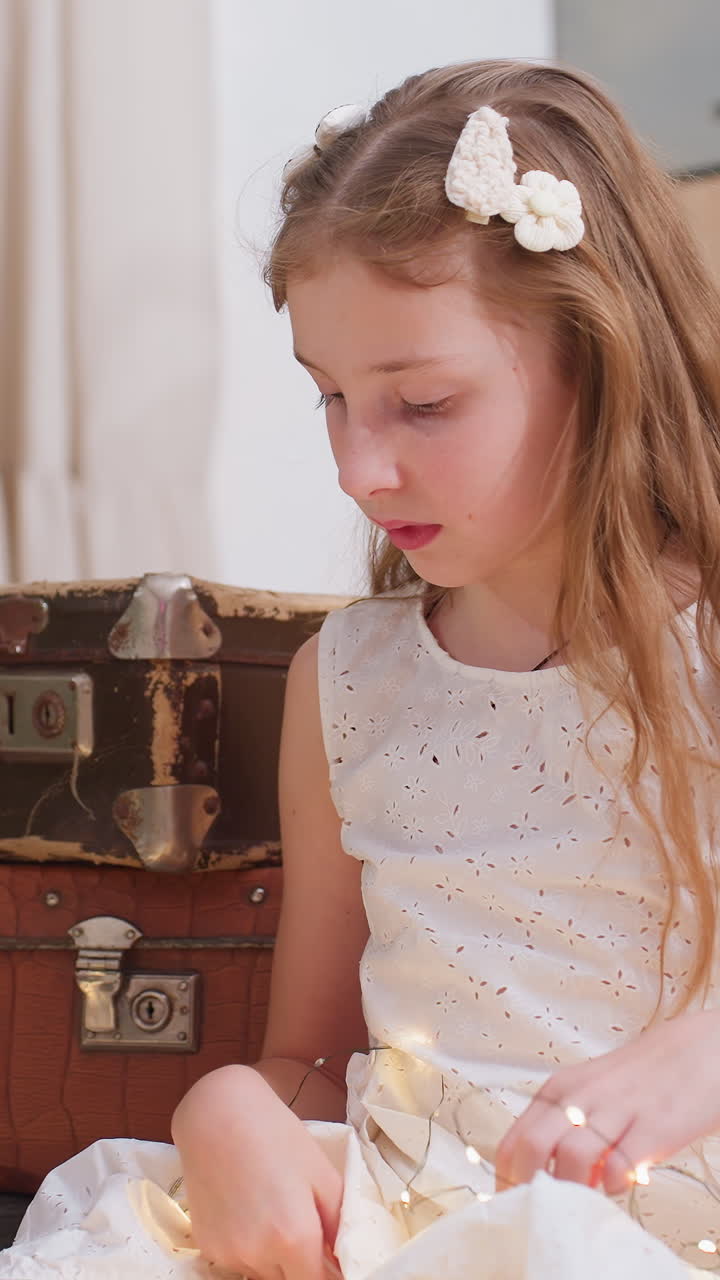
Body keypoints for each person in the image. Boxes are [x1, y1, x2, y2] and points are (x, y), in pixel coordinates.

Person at [4, 57, 720, 1280]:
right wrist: (224, 1111)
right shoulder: (353, 675)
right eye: (329, 397)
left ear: (601, 360)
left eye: (423, 402)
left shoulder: (699, 646)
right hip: (388, 1215)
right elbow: (316, 1058)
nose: (359, 469)